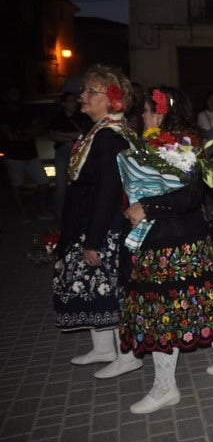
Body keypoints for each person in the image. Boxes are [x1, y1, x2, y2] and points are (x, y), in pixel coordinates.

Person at [120, 86, 213, 414]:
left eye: (147, 110)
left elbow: (190, 195)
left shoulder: (183, 143)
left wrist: (148, 205)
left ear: (162, 112)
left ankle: (165, 388)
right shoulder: (153, 143)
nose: (142, 115)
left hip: (175, 243)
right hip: (176, 238)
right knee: (191, 301)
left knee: (163, 312)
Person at [52, 64, 141, 378]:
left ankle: (128, 355)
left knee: (108, 288)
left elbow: (108, 191)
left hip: (104, 225)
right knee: (93, 286)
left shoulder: (108, 136)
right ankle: (103, 348)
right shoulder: (99, 130)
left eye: (92, 91)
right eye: (84, 90)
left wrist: (93, 239)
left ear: (111, 99)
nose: (83, 96)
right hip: (91, 220)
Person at [0, 87, 52, 221]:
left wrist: (22, 133)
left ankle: (41, 207)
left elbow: (38, 128)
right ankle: (22, 211)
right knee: (16, 184)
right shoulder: (4, 113)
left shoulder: (27, 110)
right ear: (6, 96)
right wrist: (27, 133)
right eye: (13, 93)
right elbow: (10, 135)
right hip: (12, 155)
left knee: (44, 181)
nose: (16, 96)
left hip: (31, 154)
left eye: (18, 93)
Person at [48, 90, 92, 222]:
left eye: (75, 101)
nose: (74, 104)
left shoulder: (82, 117)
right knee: (61, 185)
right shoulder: (57, 118)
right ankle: (60, 215)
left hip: (78, 152)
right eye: (71, 101)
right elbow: (53, 136)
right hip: (62, 152)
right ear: (63, 104)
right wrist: (71, 136)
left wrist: (63, 135)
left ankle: (80, 214)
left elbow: (84, 135)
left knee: (80, 183)